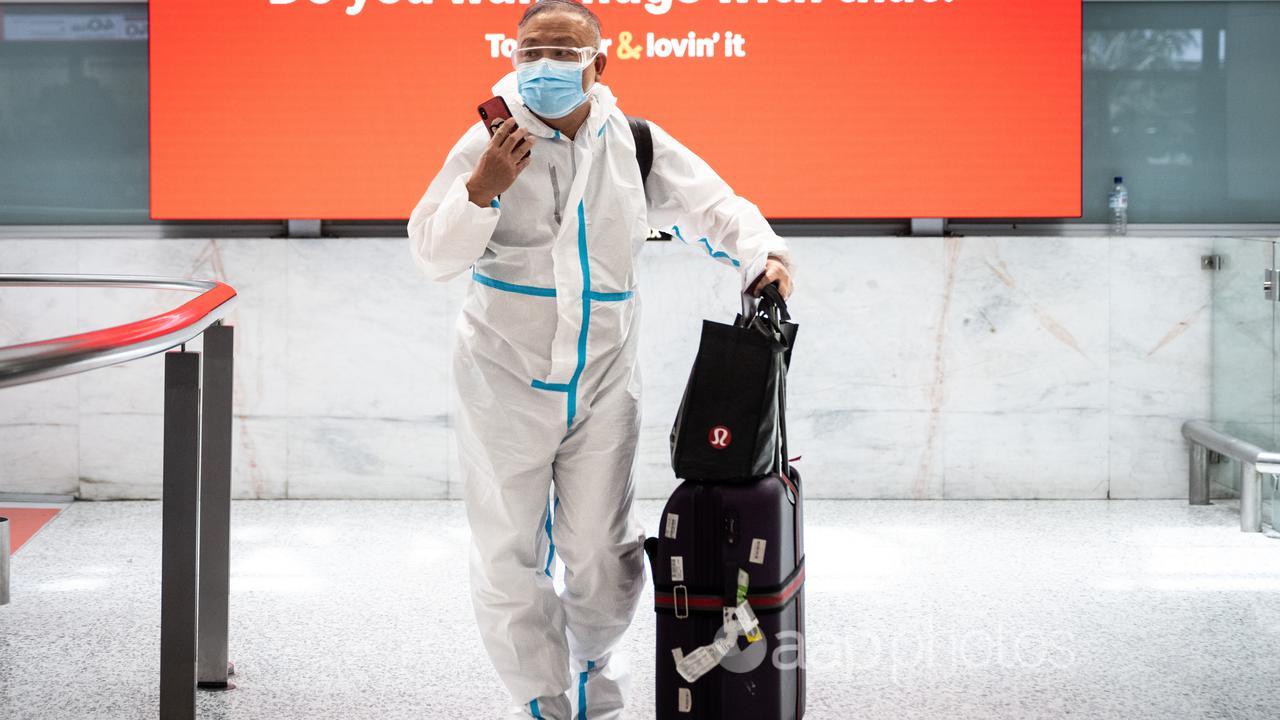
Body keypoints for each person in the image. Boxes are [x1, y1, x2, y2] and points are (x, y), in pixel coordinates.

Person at [407, 1, 794, 717]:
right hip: (501, 379)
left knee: (602, 549)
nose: (544, 67)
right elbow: (432, 254)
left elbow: (713, 206)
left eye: (562, 53)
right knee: (506, 552)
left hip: (604, 381)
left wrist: (761, 255)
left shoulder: (633, 143)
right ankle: (541, 696)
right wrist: (481, 191)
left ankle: (592, 670)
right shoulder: (485, 143)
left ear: (598, 63)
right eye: (531, 54)